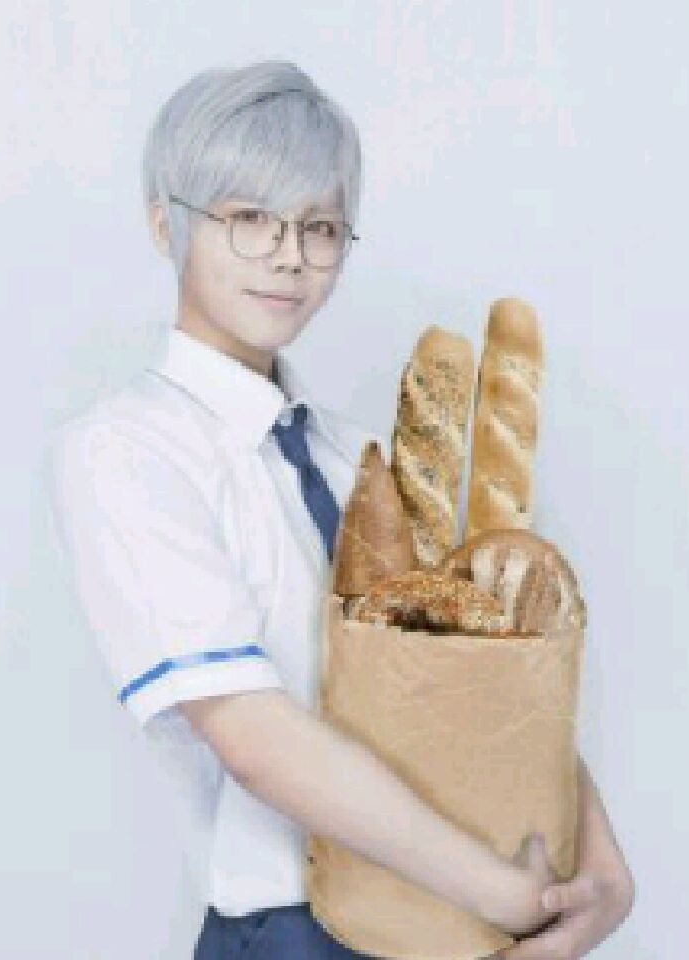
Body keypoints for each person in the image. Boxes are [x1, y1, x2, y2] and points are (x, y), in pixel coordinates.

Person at [49, 59, 634, 960]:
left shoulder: (355, 458)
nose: (290, 255)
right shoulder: (128, 451)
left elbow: (482, 678)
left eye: (319, 227)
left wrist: (596, 868)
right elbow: (254, 736)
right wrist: (501, 893)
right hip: (294, 933)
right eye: (250, 219)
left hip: (450, 927)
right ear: (166, 224)